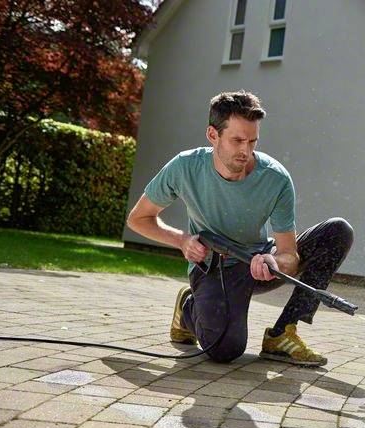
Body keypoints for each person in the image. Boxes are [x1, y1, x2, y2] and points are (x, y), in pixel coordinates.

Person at [126, 91, 353, 367]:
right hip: (213, 266)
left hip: (259, 262)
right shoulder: (185, 167)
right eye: (237, 140)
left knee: (337, 231)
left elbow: (289, 255)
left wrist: (273, 261)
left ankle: (282, 333)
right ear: (213, 135)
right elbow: (139, 219)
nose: (245, 150)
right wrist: (183, 241)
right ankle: (189, 307)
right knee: (225, 350)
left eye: (252, 141)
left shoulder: (275, 179)